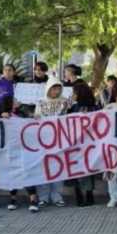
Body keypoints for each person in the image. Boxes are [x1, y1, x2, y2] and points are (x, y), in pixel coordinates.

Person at [35, 77, 71, 207]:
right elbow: (36, 119)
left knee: (58, 168)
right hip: (44, 141)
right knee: (43, 168)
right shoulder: (40, 102)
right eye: (54, 88)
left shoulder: (64, 101)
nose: (56, 91)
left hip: (60, 140)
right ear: (48, 89)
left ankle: (57, 196)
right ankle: (43, 197)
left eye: (58, 88)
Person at [67, 82, 100, 207]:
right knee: (76, 168)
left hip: (89, 143)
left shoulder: (94, 108)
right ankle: (79, 193)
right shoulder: (73, 107)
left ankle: (88, 194)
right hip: (75, 143)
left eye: (74, 93)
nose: (73, 95)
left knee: (87, 168)